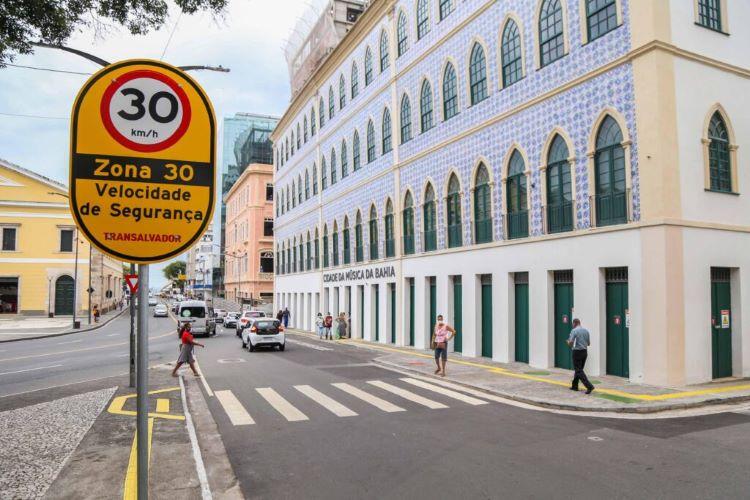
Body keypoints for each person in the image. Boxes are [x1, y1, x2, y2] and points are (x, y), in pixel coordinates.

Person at [567, 318, 595, 394]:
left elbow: (571, 342)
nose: (572, 325)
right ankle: (574, 386)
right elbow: (588, 343)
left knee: (578, 370)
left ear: (574, 323)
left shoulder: (574, 331)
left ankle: (589, 386)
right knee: (579, 370)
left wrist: (568, 343)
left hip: (577, 352)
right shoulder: (586, 331)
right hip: (584, 352)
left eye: (572, 324)